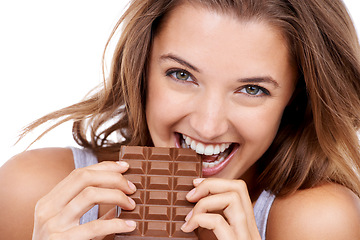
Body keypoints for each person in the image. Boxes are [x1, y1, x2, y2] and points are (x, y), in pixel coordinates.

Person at [1, 0, 360, 239]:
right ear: (140, 69)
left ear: (296, 101)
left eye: (252, 89)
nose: (207, 125)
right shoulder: (33, 192)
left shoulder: (315, 222)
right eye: (181, 75)